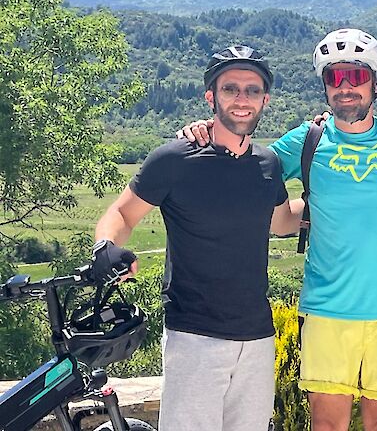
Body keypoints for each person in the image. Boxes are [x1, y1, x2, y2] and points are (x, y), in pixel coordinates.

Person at [182, 29, 377, 431]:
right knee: (326, 424)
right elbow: (245, 164)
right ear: (324, 85)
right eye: (334, 77)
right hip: (326, 309)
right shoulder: (308, 140)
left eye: (355, 77)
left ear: (375, 82)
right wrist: (202, 135)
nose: (345, 87)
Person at [95, 45, 296, 431]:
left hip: (256, 335)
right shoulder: (175, 159)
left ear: (265, 100)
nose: (242, 99)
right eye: (230, 89)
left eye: (252, 90)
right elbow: (121, 213)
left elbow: (283, 222)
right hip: (194, 336)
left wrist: (344, 202)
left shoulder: (267, 165)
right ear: (211, 96)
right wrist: (107, 247)